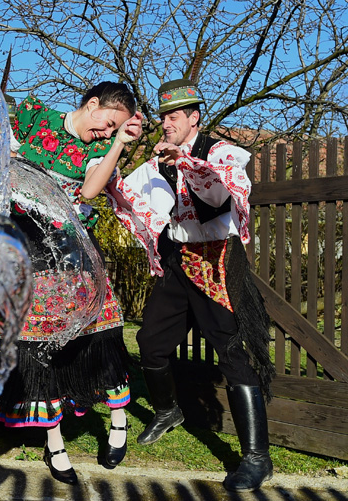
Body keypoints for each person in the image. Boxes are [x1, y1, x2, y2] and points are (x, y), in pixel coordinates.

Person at [0, 83, 142, 481]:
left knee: (101, 336)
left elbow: (91, 190)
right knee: (38, 346)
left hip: (76, 252)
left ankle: (119, 422)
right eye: (109, 124)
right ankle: (54, 445)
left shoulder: (101, 151)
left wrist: (118, 146)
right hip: (29, 249)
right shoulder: (31, 116)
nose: (108, 133)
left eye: (117, 130)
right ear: (91, 105)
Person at [105, 79, 276, 492]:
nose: (166, 124)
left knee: (234, 354)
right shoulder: (161, 158)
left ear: (194, 117)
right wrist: (119, 153)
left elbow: (219, 195)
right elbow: (129, 193)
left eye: (173, 117)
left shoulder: (219, 152)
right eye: (163, 117)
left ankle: (258, 458)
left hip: (217, 260)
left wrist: (184, 160)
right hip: (179, 261)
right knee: (150, 342)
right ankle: (168, 411)